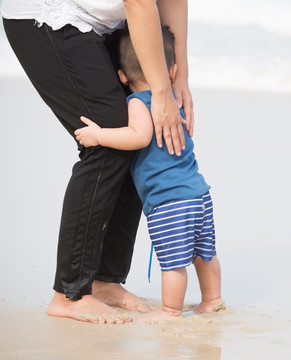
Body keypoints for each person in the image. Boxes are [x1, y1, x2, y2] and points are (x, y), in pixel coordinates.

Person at [2, 0, 194, 324]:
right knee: (111, 142)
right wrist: (160, 92)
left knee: (139, 133)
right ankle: (70, 294)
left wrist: (179, 78)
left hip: (107, 20)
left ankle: (106, 280)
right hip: (49, 15)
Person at [75, 26, 225, 320]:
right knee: (203, 254)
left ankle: (170, 311)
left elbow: (138, 137)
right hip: (199, 194)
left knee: (173, 263)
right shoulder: (173, 98)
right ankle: (212, 300)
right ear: (172, 70)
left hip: (168, 201)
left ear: (121, 76)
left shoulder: (138, 102)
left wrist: (99, 135)